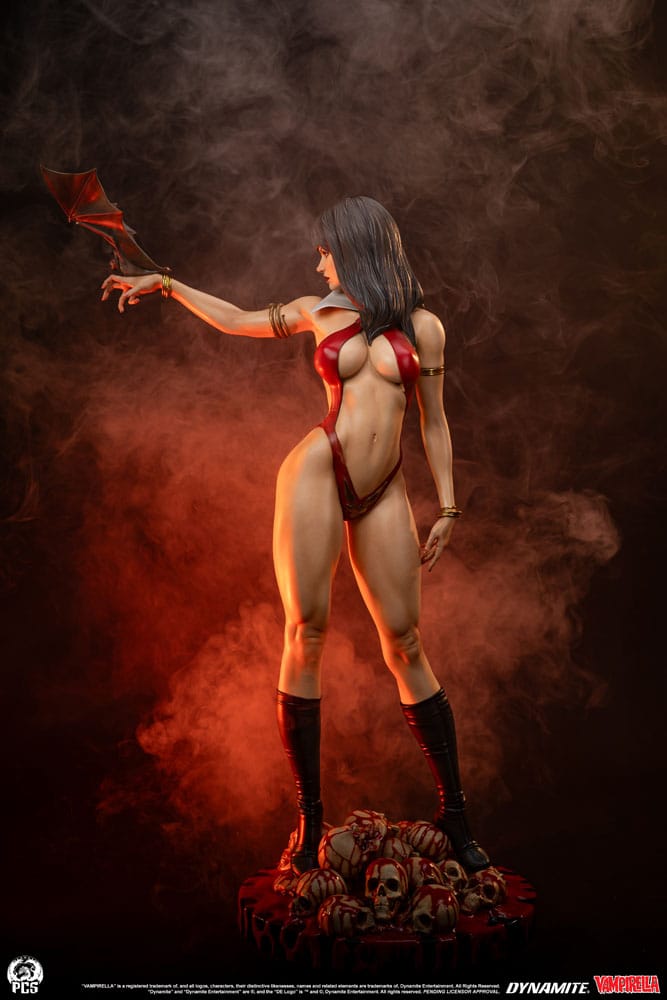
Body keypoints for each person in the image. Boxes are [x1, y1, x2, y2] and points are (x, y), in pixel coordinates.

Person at [101, 195, 491, 875]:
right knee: (305, 632)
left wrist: (450, 508)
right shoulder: (319, 313)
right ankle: (310, 818)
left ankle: (454, 813)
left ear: (356, 248)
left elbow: (433, 420)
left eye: (326, 250)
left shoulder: (424, 327)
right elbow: (235, 319)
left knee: (404, 641)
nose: (318, 263)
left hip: (384, 488)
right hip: (317, 472)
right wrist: (164, 281)